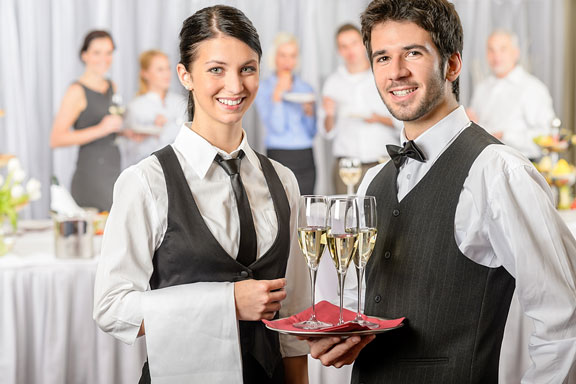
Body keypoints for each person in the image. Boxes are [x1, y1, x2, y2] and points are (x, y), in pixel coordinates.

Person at [303, 1, 576, 383]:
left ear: (451, 64)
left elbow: (565, 320)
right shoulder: (372, 182)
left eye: (412, 53)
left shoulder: (497, 171)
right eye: (382, 57)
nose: (396, 72)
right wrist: (348, 334)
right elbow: (366, 302)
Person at [93, 6, 309, 384]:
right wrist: (225, 304)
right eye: (216, 69)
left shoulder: (284, 180)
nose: (235, 86)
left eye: (248, 68)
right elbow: (111, 308)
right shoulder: (146, 181)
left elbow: (293, 314)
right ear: (185, 75)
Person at [320, 23, 401, 195]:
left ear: (364, 44)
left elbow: (404, 122)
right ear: (339, 51)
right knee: (345, 218)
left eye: (354, 43)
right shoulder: (332, 83)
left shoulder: (385, 76)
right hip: (346, 166)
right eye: (344, 46)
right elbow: (327, 132)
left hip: (381, 162)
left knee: (381, 218)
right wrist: (329, 114)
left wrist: (378, 118)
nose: (350, 50)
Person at [50, 30, 123, 212]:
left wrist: (128, 132)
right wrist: (101, 129)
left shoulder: (111, 86)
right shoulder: (76, 91)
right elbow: (56, 139)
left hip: (113, 169)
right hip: (92, 174)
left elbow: (110, 128)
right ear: (85, 55)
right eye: (97, 53)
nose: (104, 59)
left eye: (108, 52)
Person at [467, 29, 556, 161]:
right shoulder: (481, 88)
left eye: (503, 49)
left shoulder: (533, 88)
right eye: (491, 50)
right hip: (484, 163)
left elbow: (549, 136)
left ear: (516, 53)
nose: (496, 56)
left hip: (519, 166)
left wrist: (504, 136)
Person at [255, 33, 317, 195]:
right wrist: (277, 96)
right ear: (274, 58)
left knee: (306, 209)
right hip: (278, 153)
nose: (287, 61)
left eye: (292, 56)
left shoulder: (306, 88)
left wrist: (310, 113)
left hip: (305, 155)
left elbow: (312, 132)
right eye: (283, 55)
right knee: (282, 209)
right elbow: (277, 128)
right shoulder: (264, 88)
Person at [120, 50, 187, 169]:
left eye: (168, 68)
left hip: (182, 168)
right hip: (150, 171)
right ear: (145, 74)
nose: (167, 74)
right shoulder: (135, 107)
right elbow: (129, 152)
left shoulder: (180, 102)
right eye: (160, 70)